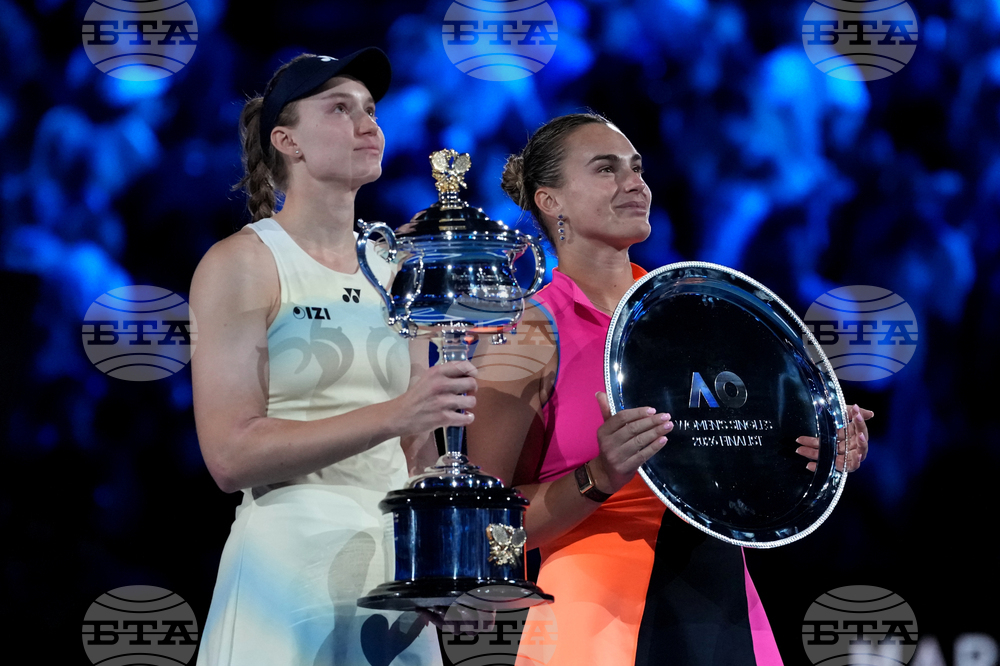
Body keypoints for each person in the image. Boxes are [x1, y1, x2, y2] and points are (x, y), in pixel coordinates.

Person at [465, 113, 872, 666]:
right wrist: (596, 479)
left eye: (637, 168)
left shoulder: (694, 312)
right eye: (606, 170)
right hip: (596, 625)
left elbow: (740, 462)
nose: (635, 184)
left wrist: (818, 447)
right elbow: (483, 532)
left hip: (726, 611)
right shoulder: (527, 332)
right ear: (550, 201)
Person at [190, 48, 477, 666]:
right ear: (286, 140)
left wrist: (438, 552)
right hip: (285, 568)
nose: (368, 123)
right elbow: (229, 455)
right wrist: (396, 415)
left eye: (371, 109)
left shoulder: (402, 267)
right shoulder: (241, 263)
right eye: (340, 108)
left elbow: (418, 450)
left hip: (395, 577)